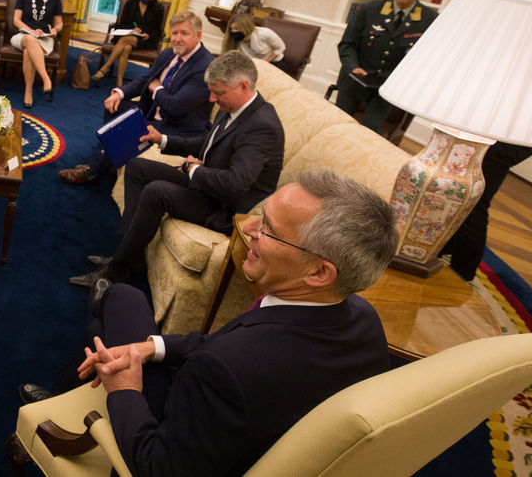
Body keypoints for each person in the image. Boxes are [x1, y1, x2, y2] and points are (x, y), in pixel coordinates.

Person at [20, 170, 397, 477]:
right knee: (113, 319)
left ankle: (69, 388)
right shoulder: (363, 320)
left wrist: (125, 390)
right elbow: (226, 348)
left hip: (181, 427)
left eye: (269, 230)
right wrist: (152, 347)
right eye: (261, 215)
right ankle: (73, 379)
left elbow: (156, 467)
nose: (247, 229)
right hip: (235, 426)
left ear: (319, 272)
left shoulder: (228, 367)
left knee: (118, 303)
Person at [70, 51, 284, 288]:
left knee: (157, 191)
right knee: (137, 167)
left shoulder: (262, 126)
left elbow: (236, 184)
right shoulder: (233, 106)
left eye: (219, 93)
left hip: (224, 206)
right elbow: (207, 142)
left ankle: (117, 270)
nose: (211, 98)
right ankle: (129, 254)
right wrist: (162, 139)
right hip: (208, 185)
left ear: (243, 86)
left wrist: (192, 169)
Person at [439, 0, 532, 281]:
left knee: (475, 200)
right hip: (499, 126)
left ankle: (463, 274)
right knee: (463, 192)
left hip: (511, 134)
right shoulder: (530, 32)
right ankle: (448, 248)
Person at [60, 11, 214, 186]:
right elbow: (145, 79)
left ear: (198, 35)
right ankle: (108, 161)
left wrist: (157, 88)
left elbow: (175, 106)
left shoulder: (204, 67)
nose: (177, 39)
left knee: (128, 129)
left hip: (176, 125)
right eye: (175, 33)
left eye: (184, 33)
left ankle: (92, 172)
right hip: (152, 111)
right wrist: (120, 93)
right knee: (114, 105)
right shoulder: (170, 53)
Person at [334, 0, 437, 132]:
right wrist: (353, 67)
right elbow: (347, 44)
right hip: (354, 80)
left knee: (371, 129)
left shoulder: (430, 19)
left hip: (386, 87)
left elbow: (424, 58)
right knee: (338, 125)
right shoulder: (369, 9)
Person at [10, 0, 63, 108]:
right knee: (29, 39)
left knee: (28, 51)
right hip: (22, 35)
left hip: (44, 38)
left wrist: (55, 30)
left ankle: (28, 90)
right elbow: (16, 20)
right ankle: (46, 78)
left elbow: (59, 23)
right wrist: (31, 31)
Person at [94, 0, 165, 87]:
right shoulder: (131, 4)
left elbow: (157, 30)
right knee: (126, 48)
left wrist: (148, 35)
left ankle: (105, 67)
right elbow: (122, 23)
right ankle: (119, 83)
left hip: (146, 40)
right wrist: (132, 29)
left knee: (125, 40)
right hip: (128, 34)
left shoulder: (158, 8)